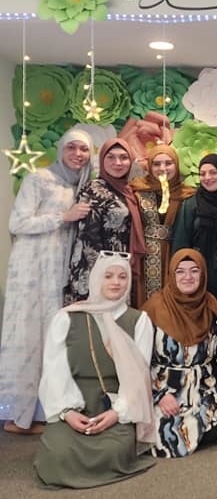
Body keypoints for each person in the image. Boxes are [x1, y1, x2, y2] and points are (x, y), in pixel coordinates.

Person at [34, 252, 155, 489]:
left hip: (115, 404)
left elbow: (138, 378)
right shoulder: (67, 317)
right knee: (58, 453)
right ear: (96, 278)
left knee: (113, 451)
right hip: (73, 403)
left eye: (122, 276)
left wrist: (117, 413)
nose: (116, 282)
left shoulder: (139, 320)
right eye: (108, 276)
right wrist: (67, 412)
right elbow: (54, 371)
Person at [0, 127, 93, 434]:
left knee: (52, 340)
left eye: (84, 149)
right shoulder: (39, 179)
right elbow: (17, 222)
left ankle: (44, 412)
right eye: (72, 148)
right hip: (32, 271)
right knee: (29, 336)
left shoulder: (81, 185)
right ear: (61, 149)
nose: (78, 154)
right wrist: (63, 217)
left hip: (58, 274)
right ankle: (18, 415)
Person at [143, 249, 217, 457]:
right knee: (163, 435)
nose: (187, 277)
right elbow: (138, 361)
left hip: (204, 388)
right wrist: (159, 395)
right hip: (166, 387)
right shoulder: (154, 309)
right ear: (171, 275)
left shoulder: (212, 307)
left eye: (194, 271)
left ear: (203, 274)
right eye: (180, 271)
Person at [65, 137, 146, 305]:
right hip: (97, 267)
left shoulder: (128, 189)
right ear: (102, 160)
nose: (118, 163)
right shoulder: (94, 188)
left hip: (120, 265)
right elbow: (88, 238)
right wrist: (103, 273)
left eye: (123, 157)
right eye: (111, 157)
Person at [130, 143, 195, 303]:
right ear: (150, 166)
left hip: (175, 251)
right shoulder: (137, 190)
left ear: (176, 165)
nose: (162, 168)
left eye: (168, 163)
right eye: (157, 164)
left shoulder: (187, 194)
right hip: (145, 255)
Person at [170, 154, 217, 303]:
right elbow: (180, 243)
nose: (207, 178)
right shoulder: (190, 205)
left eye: (213, 172)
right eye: (202, 174)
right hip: (195, 271)